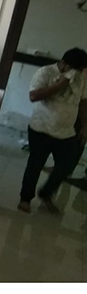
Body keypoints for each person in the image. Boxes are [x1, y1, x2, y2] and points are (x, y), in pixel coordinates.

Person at [18, 48, 87, 214]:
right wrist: (59, 85)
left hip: (66, 132)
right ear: (63, 63)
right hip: (41, 128)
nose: (76, 73)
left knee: (66, 165)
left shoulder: (81, 79)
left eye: (80, 70)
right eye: (74, 69)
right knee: (36, 164)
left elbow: (83, 102)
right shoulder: (45, 72)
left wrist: (85, 125)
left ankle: (46, 193)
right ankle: (25, 199)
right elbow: (34, 96)